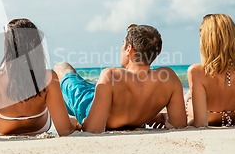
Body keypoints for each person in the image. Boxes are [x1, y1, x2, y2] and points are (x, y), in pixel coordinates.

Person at [54, 24, 187, 133]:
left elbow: (93, 128)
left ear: (129, 49)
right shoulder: (169, 78)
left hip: (90, 104)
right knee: (95, 89)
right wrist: (162, 117)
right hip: (112, 100)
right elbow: (179, 123)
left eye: (123, 44)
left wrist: (77, 123)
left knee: (61, 67)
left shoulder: (111, 75)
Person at [0, 18, 80, 139]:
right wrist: (74, 122)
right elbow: (65, 130)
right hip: (40, 127)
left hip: (3, 129)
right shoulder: (48, 77)